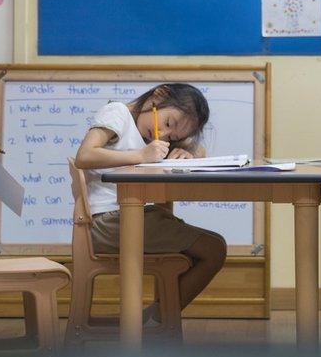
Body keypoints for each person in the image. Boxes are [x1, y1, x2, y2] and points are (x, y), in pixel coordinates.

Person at [75, 83, 226, 324]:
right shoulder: (118, 113)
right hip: (106, 224)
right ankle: (157, 320)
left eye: (173, 137)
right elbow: (84, 155)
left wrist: (189, 152)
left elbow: (201, 151)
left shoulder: (151, 138)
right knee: (214, 248)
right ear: (159, 95)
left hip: (130, 218)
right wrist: (141, 156)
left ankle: (157, 317)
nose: (162, 135)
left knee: (214, 246)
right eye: (167, 124)